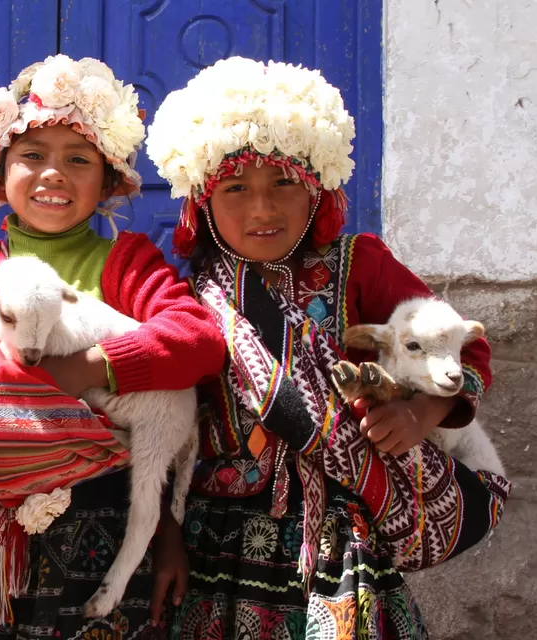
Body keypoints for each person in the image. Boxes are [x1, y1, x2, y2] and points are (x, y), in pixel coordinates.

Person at [143, 57, 511, 639]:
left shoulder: (361, 265)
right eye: (236, 188)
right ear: (201, 202)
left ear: (317, 190)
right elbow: (160, 434)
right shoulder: (189, 297)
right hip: (215, 544)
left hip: (338, 541)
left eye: (284, 183)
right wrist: (165, 539)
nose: (262, 208)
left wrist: (421, 412)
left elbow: (463, 350)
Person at [0, 54, 226, 640]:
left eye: (78, 160)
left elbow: (198, 341)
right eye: (32, 156)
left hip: (100, 522)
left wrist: (89, 365)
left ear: (110, 180)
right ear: (0, 171)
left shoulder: (127, 266)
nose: (53, 174)